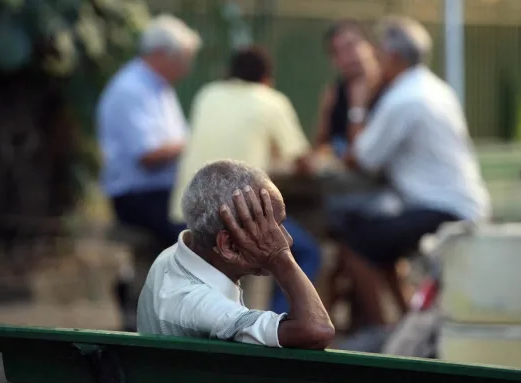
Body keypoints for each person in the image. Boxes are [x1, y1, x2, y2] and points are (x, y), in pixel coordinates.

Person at [168, 47, 321, 314]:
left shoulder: (207, 94)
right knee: (306, 252)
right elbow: (303, 163)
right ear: (266, 78)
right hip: (233, 220)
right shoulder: (271, 100)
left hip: (183, 213)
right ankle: (280, 325)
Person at [340, 16, 490, 268]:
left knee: (353, 240)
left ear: (394, 56)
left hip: (440, 210)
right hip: (466, 206)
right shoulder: (436, 89)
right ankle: (407, 307)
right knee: (377, 236)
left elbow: (361, 158)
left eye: (379, 55)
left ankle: (389, 308)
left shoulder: (401, 98)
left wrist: (357, 104)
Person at [137, 160, 335, 349]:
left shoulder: (171, 257)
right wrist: (279, 257)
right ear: (228, 245)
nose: (287, 240)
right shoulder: (199, 305)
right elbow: (317, 330)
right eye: (269, 230)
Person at [97, 14, 202, 248]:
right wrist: (197, 143)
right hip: (140, 198)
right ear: (159, 54)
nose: (186, 69)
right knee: (205, 239)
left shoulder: (160, 87)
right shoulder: (131, 89)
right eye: (182, 59)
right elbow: (148, 155)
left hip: (165, 193)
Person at [313, 20, 385, 158]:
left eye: (351, 46)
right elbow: (321, 143)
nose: (347, 56)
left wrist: (357, 108)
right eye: (338, 52)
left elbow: (362, 154)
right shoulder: (334, 94)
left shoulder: (391, 90)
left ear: (370, 46)